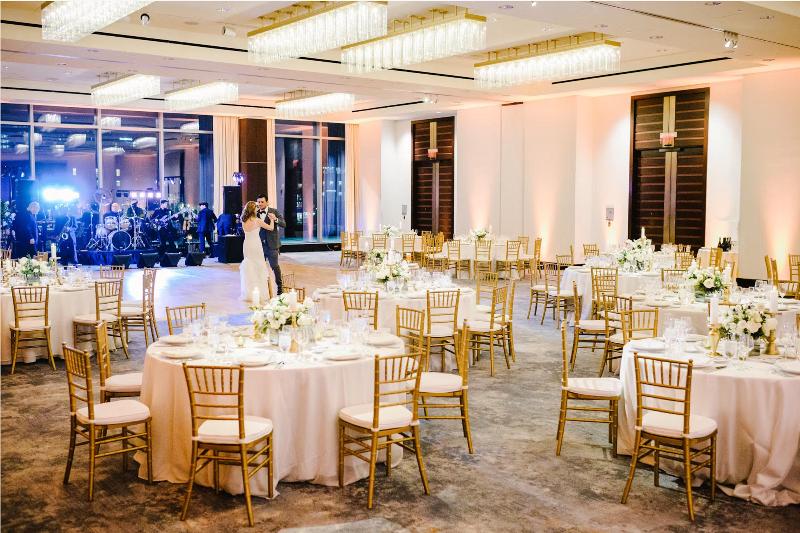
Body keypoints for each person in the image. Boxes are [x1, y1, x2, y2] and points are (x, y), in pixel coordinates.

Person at [239, 201, 274, 304]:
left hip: (247, 245)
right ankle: (260, 292)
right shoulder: (257, 221)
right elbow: (271, 228)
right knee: (259, 266)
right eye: (256, 207)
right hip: (256, 245)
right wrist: (272, 219)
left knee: (249, 266)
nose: (258, 208)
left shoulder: (243, 220)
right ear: (253, 209)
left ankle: (250, 292)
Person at [256, 194, 286, 294]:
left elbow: (283, 224)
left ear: (267, 202)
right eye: (258, 202)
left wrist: (275, 219)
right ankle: (262, 289)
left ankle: (280, 288)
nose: (260, 204)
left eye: (262, 202)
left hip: (272, 245)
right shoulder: (255, 213)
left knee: (275, 266)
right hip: (259, 246)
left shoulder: (274, 211)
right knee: (260, 268)